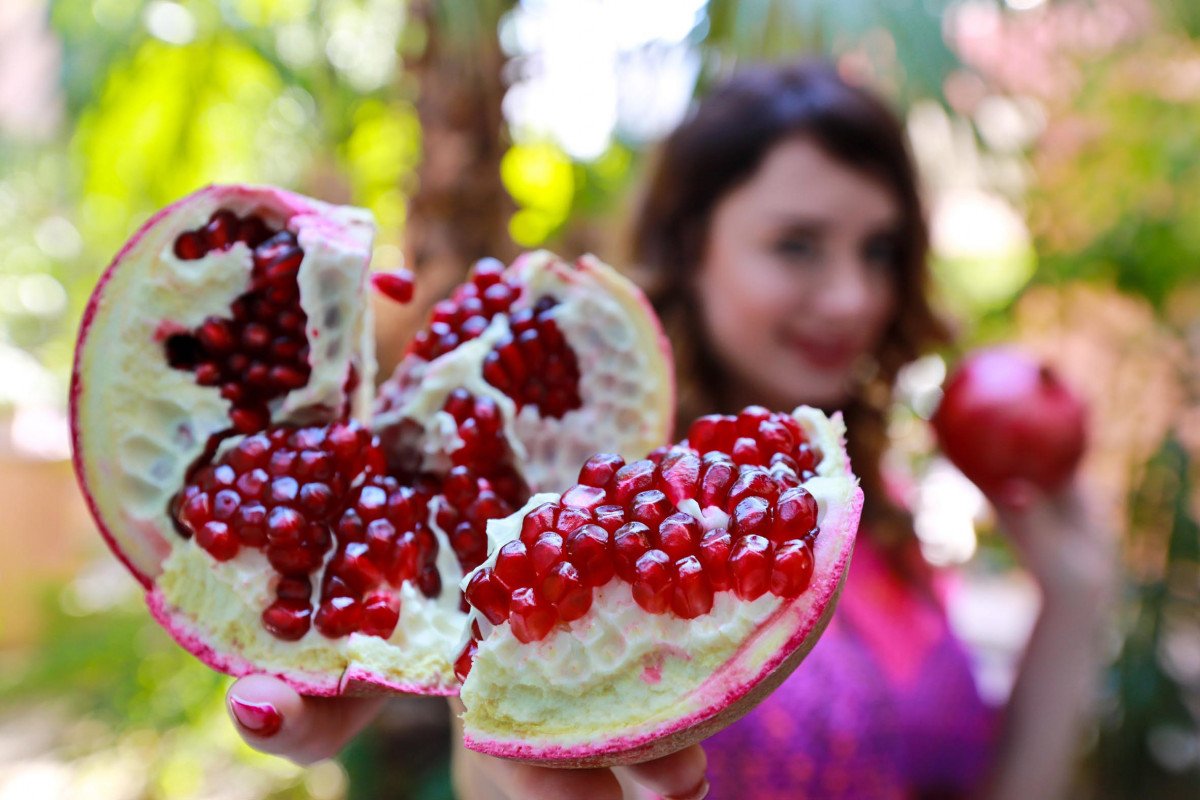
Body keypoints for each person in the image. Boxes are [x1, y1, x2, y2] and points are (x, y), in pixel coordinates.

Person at [223, 61, 1115, 799]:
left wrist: (1074, 600)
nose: (852, 298)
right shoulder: (571, 516)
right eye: (797, 245)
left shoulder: (874, 516)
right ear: (694, 248)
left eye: (879, 251)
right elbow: (504, 747)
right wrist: (494, 727)